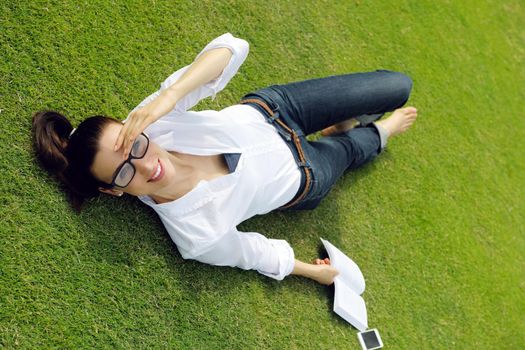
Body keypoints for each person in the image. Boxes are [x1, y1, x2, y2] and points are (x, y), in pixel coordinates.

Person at [32, 33, 417, 285]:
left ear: (135, 127)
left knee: (398, 87)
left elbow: (233, 47)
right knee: (356, 146)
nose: (146, 164)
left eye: (135, 145)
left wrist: (168, 97)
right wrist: (316, 275)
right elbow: (251, 253)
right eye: (124, 172)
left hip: (278, 110)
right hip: (304, 176)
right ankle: (373, 133)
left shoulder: (154, 120)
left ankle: (340, 123)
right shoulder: (194, 234)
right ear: (114, 191)